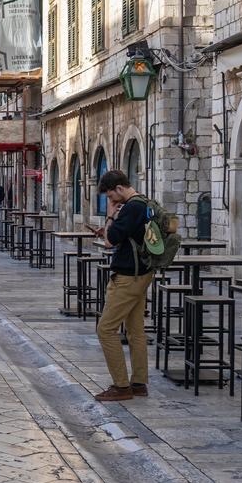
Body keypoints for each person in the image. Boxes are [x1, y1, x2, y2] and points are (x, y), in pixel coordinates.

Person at [90, 170, 154, 402]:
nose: (111, 201)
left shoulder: (131, 208)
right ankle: (139, 383)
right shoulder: (145, 203)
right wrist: (112, 227)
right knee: (136, 329)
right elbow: (126, 235)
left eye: (110, 196)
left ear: (118, 188)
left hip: (127, 276)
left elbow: (109, 241)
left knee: (105, 329)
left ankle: (121, 386)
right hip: (142, 274)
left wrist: (109, 217)